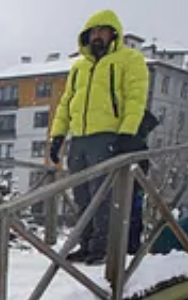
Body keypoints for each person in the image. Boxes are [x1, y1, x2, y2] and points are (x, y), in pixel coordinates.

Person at [48, 9, 150, 265]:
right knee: (81, 194)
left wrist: (127, 133)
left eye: (102, 31)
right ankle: (86, 244)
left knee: (103, 195)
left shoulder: (129, 59)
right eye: (93, 32)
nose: (97, 36)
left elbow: (135, 99)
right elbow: (66, 102)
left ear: (113, 34)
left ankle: (102, 247)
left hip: (108, 135)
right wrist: (58, 135)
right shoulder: (79, 67)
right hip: (79, 137)